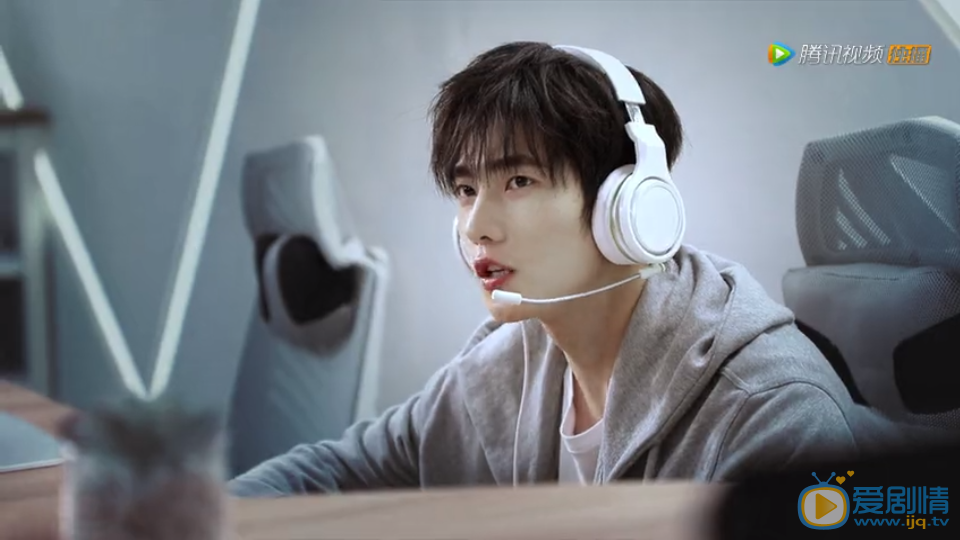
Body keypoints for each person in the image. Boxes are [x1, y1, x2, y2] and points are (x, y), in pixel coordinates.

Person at [228, 41, 918, 497]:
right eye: (465, 189)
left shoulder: (769, 410)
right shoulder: (503, 364)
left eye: (518, 181)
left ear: (631, 206)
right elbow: (339, 470)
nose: (476, 227)